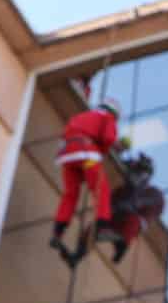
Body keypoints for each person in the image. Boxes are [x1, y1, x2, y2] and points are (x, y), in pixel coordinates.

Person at [51, 95, 125, 267]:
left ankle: (57, 232)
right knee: (101, 189)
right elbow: (107, 138)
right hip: (87, 154)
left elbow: (65, 135)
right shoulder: (107, 118)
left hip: (67, 156)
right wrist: (116, 146)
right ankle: (103, 226)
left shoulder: (80, 117)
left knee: (70, 194)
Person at [104, 153, 165, 264]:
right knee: (95, 228)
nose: (133, 173)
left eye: (139, 170)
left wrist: (126, 204)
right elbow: (110, 205)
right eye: (135, 169)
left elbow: (137, 204)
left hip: (130, 223)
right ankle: (77, 254)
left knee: (132, 220)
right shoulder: (122, 191)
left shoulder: (151, 192)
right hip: (116, 220)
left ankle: (121, 246)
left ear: (146, 175)